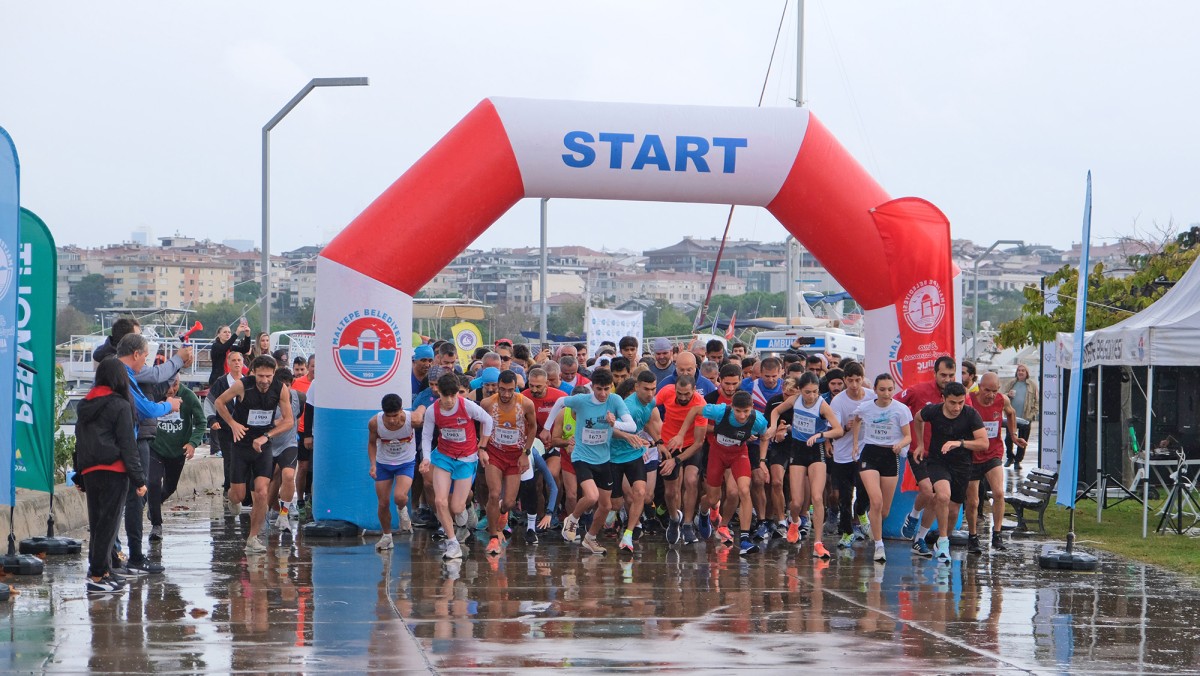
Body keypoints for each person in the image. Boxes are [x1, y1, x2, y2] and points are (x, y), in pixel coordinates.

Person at [114, 334, 183, 575]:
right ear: (135, 354)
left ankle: (110, 562)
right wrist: (169, 406)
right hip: (125, 446)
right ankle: (132, 558)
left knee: (116, 503)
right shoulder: (122, 375)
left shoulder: (118, 373)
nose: (146, 362)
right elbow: (145, 409)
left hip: (115, 445)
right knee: (134, 496)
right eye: (145, 356)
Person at [75, 358, 146, 594]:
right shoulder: (120, 405)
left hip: (91, 472)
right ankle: (97, 575)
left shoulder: (85, 405)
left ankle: (102, 570)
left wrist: (78, 475)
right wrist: (139, 479)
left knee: (98, 523)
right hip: (115, 470)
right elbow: (128, 445)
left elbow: (80, 442)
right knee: (109, 524)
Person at [214, 355, 295, 553]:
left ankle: (253, 537)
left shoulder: (280, 389)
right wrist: (232, 424)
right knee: (238, 496)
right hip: (241, 444)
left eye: (268, 376)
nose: (265, 380)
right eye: (260, 376)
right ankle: (231, 498)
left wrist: (266, 436)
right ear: (253, 373)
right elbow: (219, 402)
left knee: (261, 492)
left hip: (263, 445)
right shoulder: (243, 385)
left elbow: (288, 421)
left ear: (274, 374)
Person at [553, 369, 636, 555]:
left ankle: (590, 538)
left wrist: (615, 423)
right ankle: (572, 520)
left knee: (607, 506)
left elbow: (632, 426)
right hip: (581, 456)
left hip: (603, 459)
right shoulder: (582, 401)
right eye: (599, 389)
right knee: (591, 497)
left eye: (607, 389)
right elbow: (559, 402)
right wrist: (545, 428)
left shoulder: (615, 401)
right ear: (592, 387)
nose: (603, 394)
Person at [679, 391, 768, 555]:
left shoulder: (758, 420)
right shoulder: (721, 411)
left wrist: (762, 461)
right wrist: (681, 434)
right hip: (717, 454)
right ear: (731, 407)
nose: (742, 416)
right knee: (713, 498)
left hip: (739, 454)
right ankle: (704, 512)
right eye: (738, 411)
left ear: (752, 408)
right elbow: (694, 410)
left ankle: (745, 539)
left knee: (744, 491)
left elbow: (765, 436)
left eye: (746, 412)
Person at [419, 373, 494, 560]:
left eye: (454, 395)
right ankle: (452, 543)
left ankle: (465, 510)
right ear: (439, 393)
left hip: (466, 459)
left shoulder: (467, 406)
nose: (451, 400)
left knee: (457, 506)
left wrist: (482, 447)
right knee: (440, 501)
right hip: (443, 457)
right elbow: (427, 436)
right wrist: (426, 458)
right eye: (447, 396)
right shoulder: (432, 410)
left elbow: (488, 420)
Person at [768, 372, 843, 559]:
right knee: (797, 502)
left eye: (815, 392)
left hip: (815, 450)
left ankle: (818, 542)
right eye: (807, 392)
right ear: (800, 390)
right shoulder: (794, 400)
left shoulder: (822, 405)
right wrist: (772, 425)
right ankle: (794, 522)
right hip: (797, 451)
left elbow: (838, 429)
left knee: (817, 497)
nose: (811, 396)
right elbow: (775, 411)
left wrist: (821, 435)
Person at [913, 381, 988, 563]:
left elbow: (984, 443)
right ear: (943, 399)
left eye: (961, 402)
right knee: (943, 497)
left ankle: (937, 539)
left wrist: (960, 443)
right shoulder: (934, 411)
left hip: (962, 465)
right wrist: (921, 444)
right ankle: (944, 543)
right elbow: (917, 418)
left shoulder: (971, 414)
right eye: (952, 402)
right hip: (938, 462)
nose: (957, 407)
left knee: (954, 510)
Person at [895, 355, 957, 554]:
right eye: (943, 375)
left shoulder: (957, 396)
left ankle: (919, 539)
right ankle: (913, 515)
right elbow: (894, 404)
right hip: (919, 451)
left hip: (944, 456)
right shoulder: (918, 391)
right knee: (928, 491)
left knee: (937, 497)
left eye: (951, 375)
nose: (947, 379)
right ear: (935, 373)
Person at [850, 374, 912, 563]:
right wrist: (855, 444)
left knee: (884, 509)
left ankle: (872, 526)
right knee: (875, 501)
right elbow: (857, 420)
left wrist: (900, 444)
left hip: (890, 456)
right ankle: (879, 545)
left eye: (890, 389)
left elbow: (908, 436)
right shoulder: (866, 407)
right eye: (882, 389)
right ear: (875, 390)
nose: (886, 393)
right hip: (870, 453)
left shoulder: (900, 410)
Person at [479, 370, 537, 556]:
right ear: (496, 386)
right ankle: (493, 537)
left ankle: (502, 512)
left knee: (510, 502)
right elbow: (483, 428)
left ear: (515, 388)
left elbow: (533, 427)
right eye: (502, 389)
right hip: (495, 454)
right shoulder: (487, 403)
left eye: (509, 390)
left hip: (515, 456)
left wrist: (525, 453)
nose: (505, 394)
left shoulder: (526, 404)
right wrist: (482, 449)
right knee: (494, 494)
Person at [967, 373, 1022, 553]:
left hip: (993, 453)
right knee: (974, 502)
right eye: (987, 390)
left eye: (994, 391)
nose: (991, 395)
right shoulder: (969, 400)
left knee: (999, 493)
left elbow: (1011, 413)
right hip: (972, 456)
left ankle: (996, 535)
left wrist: (1013, 435)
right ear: (979, 387)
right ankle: (973, 536)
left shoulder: (1002, 400)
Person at [608, 370, 662, 555]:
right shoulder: (627, 407)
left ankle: (629, 534)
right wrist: (628, 436)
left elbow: (644, 422)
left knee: (640, 492)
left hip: (634, 455)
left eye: (653, 389)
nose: (650, 393)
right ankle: (610, 518)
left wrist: (657, 441)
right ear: (636, 387)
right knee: (616, 504)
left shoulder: (651, 402)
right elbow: (610, 429)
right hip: (614, 456)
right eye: (646, 389)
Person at [147, 374, 205, 542]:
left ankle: (154, 506)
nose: (171, 390)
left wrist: (193, 443)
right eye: (168, 386)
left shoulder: (188, 396)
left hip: (177, 450)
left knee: (170, 488)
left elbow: (201, 422)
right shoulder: (155, 395)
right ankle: (156, 525)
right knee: (153, 483)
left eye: (175, 385)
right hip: (155, 447)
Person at [658, 375, 708, 546]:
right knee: (670, 492)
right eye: (680, 393)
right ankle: (673, 518)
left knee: (691, 480)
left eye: (687, 394)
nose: (683, 397)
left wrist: (676, 461)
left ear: (694, 390)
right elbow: (649, 407)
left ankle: (687, 523)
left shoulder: (700, 404)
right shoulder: (666, 391)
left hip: (691, 444)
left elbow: (699, 442)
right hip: (669, 443)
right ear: (675, 389)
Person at [827, 363, 873, 550]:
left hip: (866, 450)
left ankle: (861, 511)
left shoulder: (872, 397)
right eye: (850, 380)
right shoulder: (838, 401)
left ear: (863, 379)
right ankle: (847, 532)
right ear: (845, 380)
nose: (854, 385)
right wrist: (847, 426)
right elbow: (835, 429)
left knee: (866, 488)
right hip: (843, 454)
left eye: (858, 380)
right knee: (844, 496)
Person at [368, 393, 422, 551]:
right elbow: (371, 444)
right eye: (388, 416)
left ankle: (402, 509)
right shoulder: (374, 422)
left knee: (399, 496)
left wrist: (423, 406)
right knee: (383, 503)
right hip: (384, 463)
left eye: (395, 415)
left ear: (401, 410)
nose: (391, 420)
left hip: (405, 463)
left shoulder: (412, 420)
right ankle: (386, 536)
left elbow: (421, 411)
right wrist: (373, 465)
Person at [267, 367, 306, 533]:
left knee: (288, 475)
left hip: (288, 443)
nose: (284, 389)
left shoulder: (299, 398)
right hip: (268, 443)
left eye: (288, 385)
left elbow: (296, 416)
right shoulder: (267, 398)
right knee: (270, 480)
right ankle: (266, 511)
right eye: (281, 385)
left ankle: (284, 515)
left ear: (291, 384)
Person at [1003, 364, 1038, 469]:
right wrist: (1007, 395)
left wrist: (1032, 414)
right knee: (1008, 439)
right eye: (1019, 370)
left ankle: (1018, 461)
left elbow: (1037, 401)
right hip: (1012, 417)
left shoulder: (1032, 385)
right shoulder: (1011, 383)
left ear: (1027, 373)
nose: (1021, 372)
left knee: (1023, 440)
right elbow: (1002, 396)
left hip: (1025, 417)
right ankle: (1010, 457)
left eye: (1023, 370)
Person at [207, 321, 251, 385]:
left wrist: (247, 335)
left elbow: (245, 349)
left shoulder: (230, 347)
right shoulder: (215, 346)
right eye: (225, 332)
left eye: (229, 332)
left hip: (228, 379)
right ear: (218, 335)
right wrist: (237, 333)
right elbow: (223, 348)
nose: (227, 334)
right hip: (217, 380)